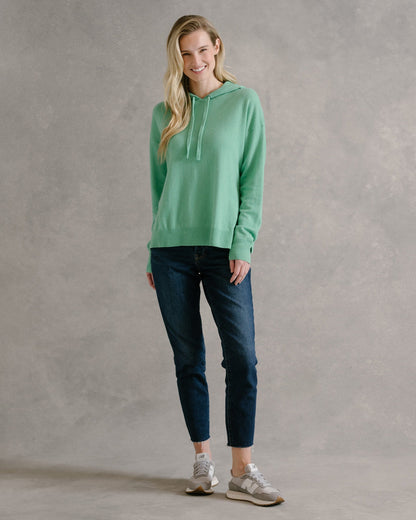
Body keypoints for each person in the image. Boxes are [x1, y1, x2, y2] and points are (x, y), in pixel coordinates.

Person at [146, 14, 284, 507]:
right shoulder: (165, 112)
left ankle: (242, 471)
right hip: (171, 252)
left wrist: (243, 243)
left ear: (217, 47)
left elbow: (252, 179)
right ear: (177, 59)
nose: (196, 61)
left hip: (225, 250)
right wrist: (154, 249)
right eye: (185, 54)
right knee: (188, 359)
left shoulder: (244, 102)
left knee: (242, 357)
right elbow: (159, 187)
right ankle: (202, 461)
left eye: (202, 50)